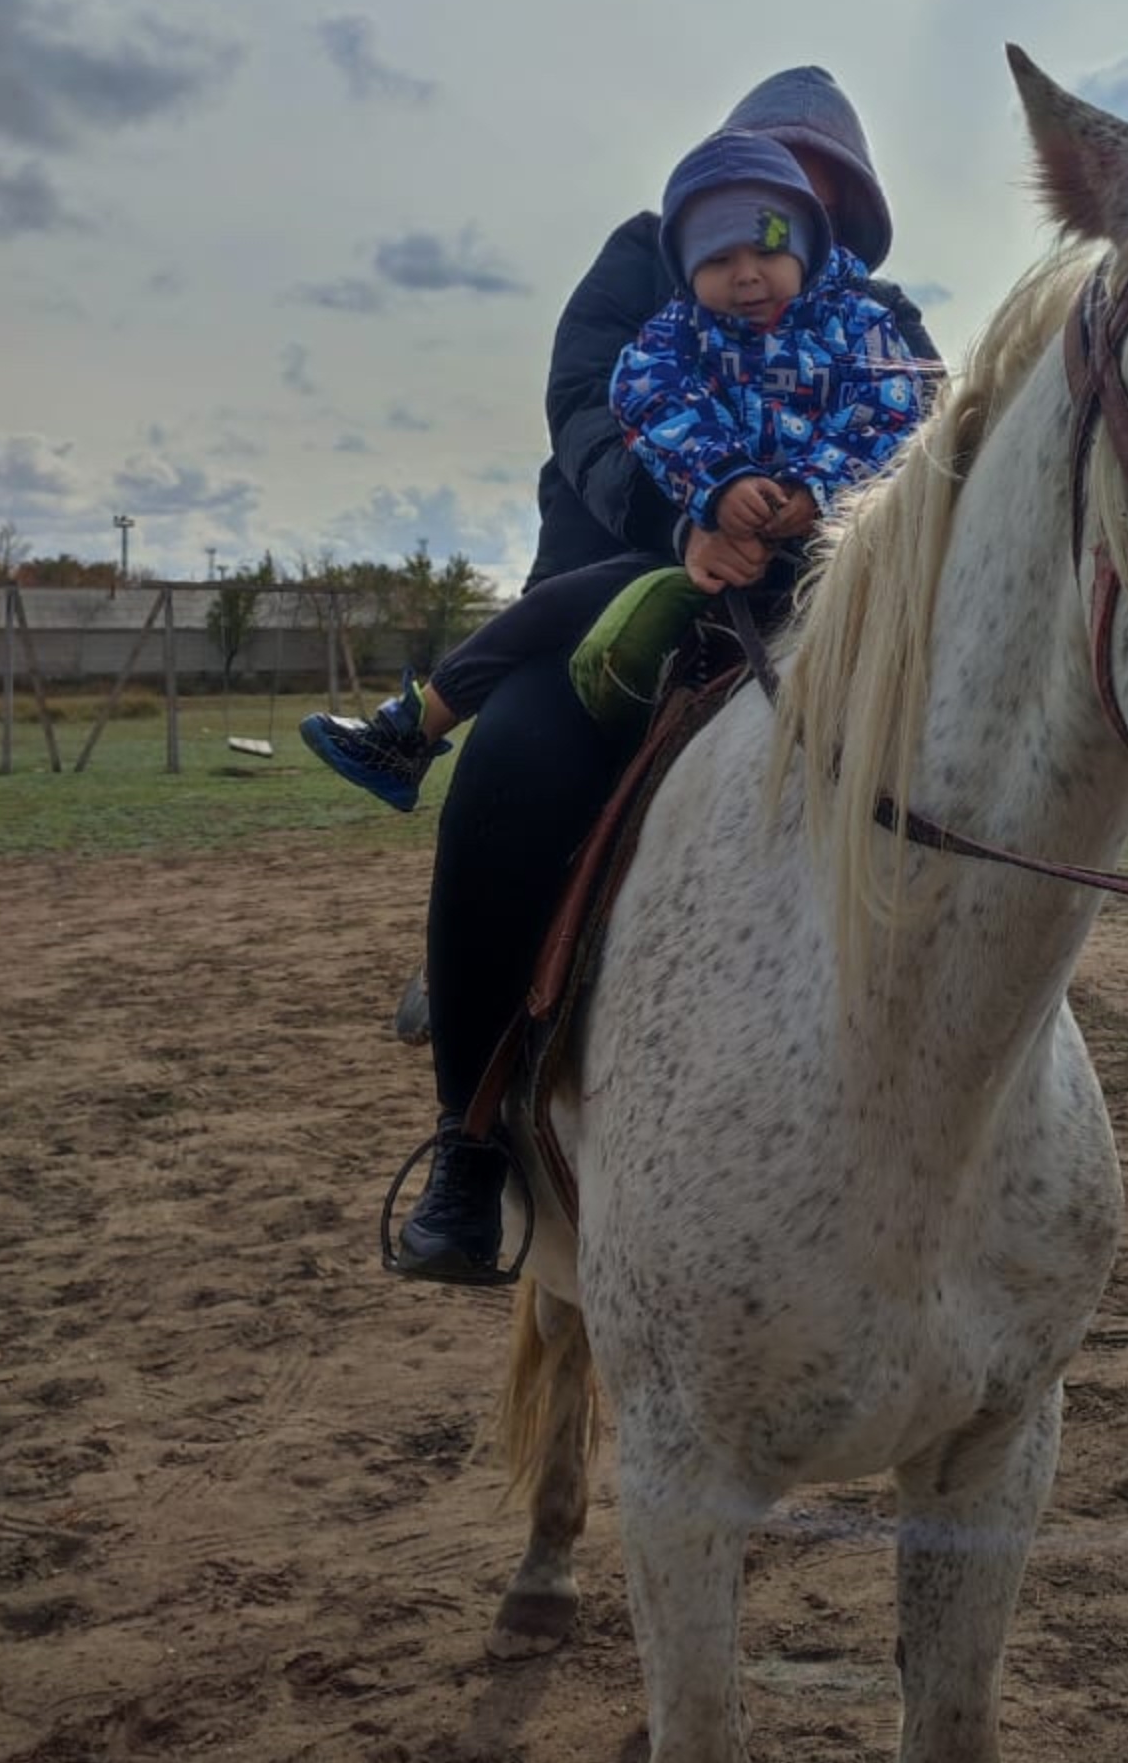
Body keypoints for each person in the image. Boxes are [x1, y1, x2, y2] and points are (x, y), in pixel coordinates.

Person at [359, 69, 934, 1281]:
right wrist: (681, 519)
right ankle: (469, 1141)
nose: (771, 234)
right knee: (506, 777)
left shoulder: (876, 311)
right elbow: (586, 404)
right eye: (769, 180)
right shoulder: (648, 270)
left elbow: (933, 427)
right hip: (625, 572)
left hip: (832, 598)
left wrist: (831, 512)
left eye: (814, 199)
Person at [297, 132, 930, 806]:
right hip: (698, 551)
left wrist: (816, 488)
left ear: (811, 240)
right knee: (556, 609)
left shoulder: (866, 322)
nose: (746, 274)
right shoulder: (676, 331)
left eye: (770, 247)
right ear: (685, 267)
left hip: (834, 557)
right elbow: (646, 399)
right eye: (718, 257)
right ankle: (410, 731)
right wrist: (716, 490)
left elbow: (895, 411)